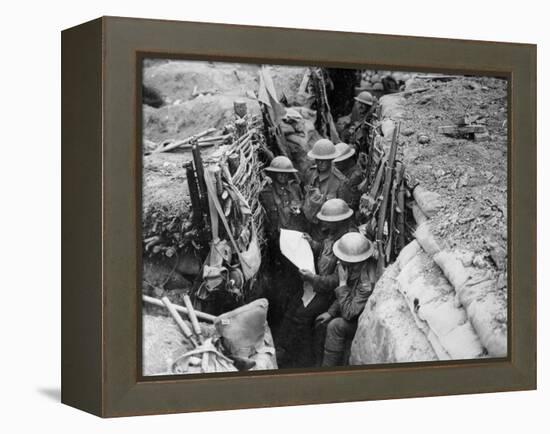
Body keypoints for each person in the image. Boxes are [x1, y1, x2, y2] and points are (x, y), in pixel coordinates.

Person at [275, 199, 356, 368]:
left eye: (326, 220)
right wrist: (313, 244)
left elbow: (337, 280)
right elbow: (324, 251)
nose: (322, 222)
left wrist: (313, 279)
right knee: (291, 306)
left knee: (302, 317)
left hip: (329, 294)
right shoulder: (332, 234)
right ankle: (281, 349)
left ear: (338, 221)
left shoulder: (348, 242)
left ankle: (300, 359)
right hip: (315, 284)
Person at [259, 156, 307, 332]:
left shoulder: (295, 189)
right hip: (277, 246)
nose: (283, 178)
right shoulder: (266, 193)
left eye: (286, 175)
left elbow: (301, 213)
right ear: (273, 174)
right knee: (280, 283)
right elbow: (268, 221)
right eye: (279, 174)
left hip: (296, 241)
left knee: (297, 279)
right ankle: (279, 318)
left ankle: (295, 316)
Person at [316, 232, 377, 367]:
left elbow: (349, 314)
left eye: (343, 261)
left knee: (335, 326)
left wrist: (342, 284)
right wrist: (331, 312)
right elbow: (350, 293)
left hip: (361, 320)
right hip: (352, 308)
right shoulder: (357, 267)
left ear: (353, 263)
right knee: (322, 322)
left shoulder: (367, 283)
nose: (339, 263)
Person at [303, 138, 349, 240]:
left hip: (328, 232)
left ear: (331, 159)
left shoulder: (340, 181)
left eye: (324, 160)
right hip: (310, 226)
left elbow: (344, 213)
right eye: (317, 160)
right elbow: (304, 195)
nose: (320, 163)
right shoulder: (310, 173)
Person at [334, 142, 365, 211]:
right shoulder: (347, 173)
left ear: (347, 159)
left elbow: (352, 203)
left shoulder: (354, 177)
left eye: (339, 161)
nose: (335, 163)